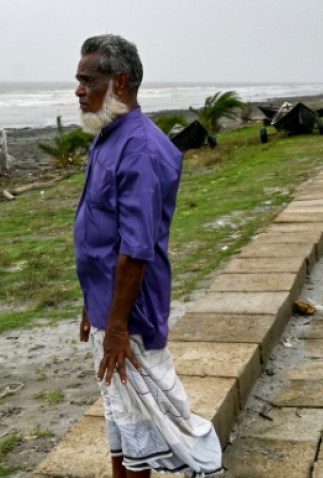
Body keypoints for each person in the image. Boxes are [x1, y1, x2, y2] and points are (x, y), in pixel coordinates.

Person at [73, 34, 223, 478]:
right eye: (77, 81)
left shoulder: (139, 147)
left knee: (149, 421)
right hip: (109, 304)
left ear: (118, 82)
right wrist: (93, 303)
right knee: (122, 417)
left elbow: (136, 247)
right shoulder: (107, 135)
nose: (78, 90)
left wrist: (116, 324)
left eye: (87, 81)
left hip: (132, 313)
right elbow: (102, 235)